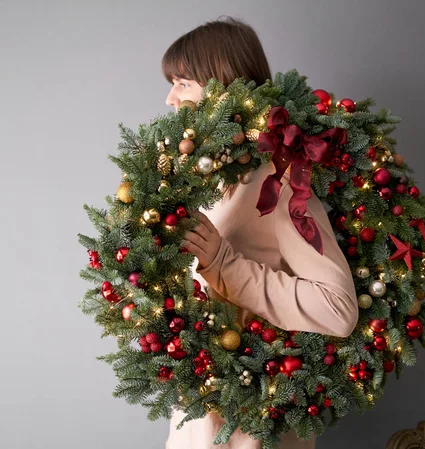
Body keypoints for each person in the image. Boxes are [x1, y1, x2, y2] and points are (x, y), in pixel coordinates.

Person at [162, 16, 359, 449]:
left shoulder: (280, 182)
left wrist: (223, 263)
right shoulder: (203, 180)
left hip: (254, 426)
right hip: (199, 416)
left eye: (183, 82)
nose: (170, 98)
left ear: (222, 84)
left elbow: (338, 309)